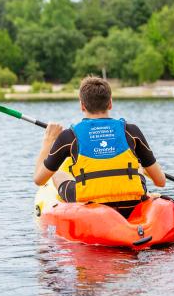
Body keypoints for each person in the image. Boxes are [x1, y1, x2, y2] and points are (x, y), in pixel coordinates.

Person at [34, 76, 166, 218]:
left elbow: (39, 179)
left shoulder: (69, 136)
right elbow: (160, 181)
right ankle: (143, 194)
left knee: (59, 173)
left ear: (82, 106)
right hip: (130, 203)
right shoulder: (132, 131)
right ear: (110, 104)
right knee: (137, 166)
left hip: (90, 202)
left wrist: (48, 140)